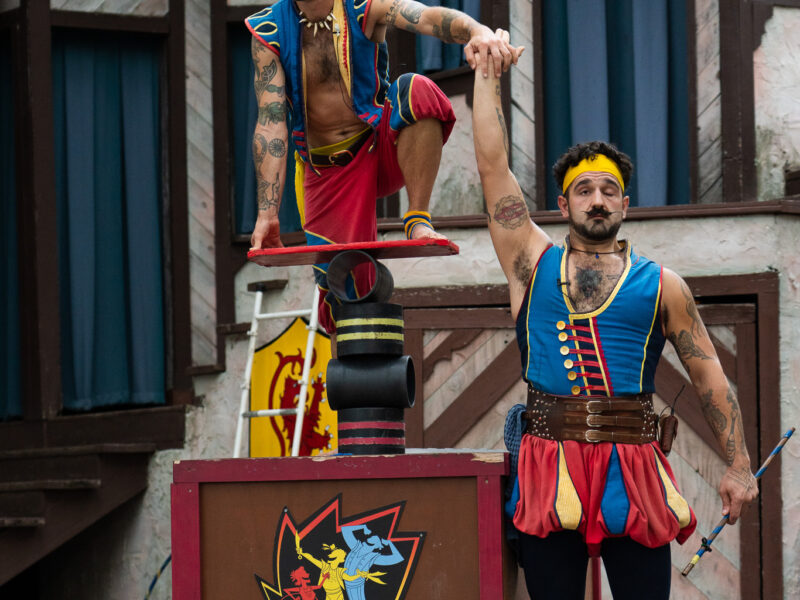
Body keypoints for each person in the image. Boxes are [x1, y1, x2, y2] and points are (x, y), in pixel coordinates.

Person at [471, 56, 759, 599]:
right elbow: (492, 169)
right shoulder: (530, 263)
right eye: (584, 191)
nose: (597, 200)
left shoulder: (664, 285)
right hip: (546, 464)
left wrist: (739, 467)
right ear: (562, 204)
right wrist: (485, 73)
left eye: (608, 190)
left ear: (626, 203)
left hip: (634, 471)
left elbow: (710, 379)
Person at [246, 0, 521, 332]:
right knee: (343, 296)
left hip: (380, 147)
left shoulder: (363, 5)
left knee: (417, 90)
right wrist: (267, 214)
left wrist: (477, 31)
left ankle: (417, 217)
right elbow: (271, 124)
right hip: (327, 172)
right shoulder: (269, 29)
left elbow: (428, 18)